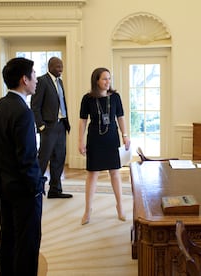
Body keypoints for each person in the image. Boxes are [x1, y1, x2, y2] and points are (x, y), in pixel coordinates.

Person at [0, 57, 46, 276]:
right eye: (34, 75)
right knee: (27, 243)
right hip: (23, 190)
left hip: (3, 186)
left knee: (8, 238)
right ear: (24, 79)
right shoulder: (23, 111)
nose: (37, 80)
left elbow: (1, 150)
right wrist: (37, 186)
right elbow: (26, 158)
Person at [78, 67, 131, 225]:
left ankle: (120, 207)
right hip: (95, 139)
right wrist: (80, 141)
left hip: (111, 138)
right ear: (96, 81)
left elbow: (120, 117)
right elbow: (83, 121)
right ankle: (88, 210)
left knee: (115, 173)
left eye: (109, 78)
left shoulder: (115, 97)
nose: (108, 82)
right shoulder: (87, 99)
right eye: (104, 79)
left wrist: (125, 135)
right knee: (92, 174)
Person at [31, 57, 72, 199]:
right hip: (48, 127)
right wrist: (41, 126)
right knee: (43, 159)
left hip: (61, 125)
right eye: (57, 66)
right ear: (50, 66)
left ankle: (55, 190)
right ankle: (33, 188)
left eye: (62, 65)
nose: (60, 68)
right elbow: (35, 106)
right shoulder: (42, 81)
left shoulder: (59, 82)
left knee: (59, 158)